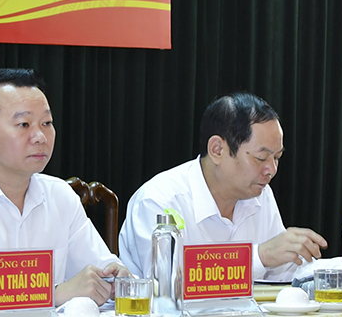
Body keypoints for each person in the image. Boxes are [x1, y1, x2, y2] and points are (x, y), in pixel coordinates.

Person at [0, 68, 128, 312]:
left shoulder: (60, 196)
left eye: (46, 123)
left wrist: (113, 279)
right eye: (24, 124)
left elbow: (100, 270)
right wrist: (54, 294)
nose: (40, 137)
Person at [118, 92, 327, 282]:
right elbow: (167, 282)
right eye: (261, 158)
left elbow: (285, 271)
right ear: (217, 149)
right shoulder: (158, 200)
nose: (271, 170)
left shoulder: (260, 194)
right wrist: (259, 256)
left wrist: (337, 271)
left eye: (277, 158)